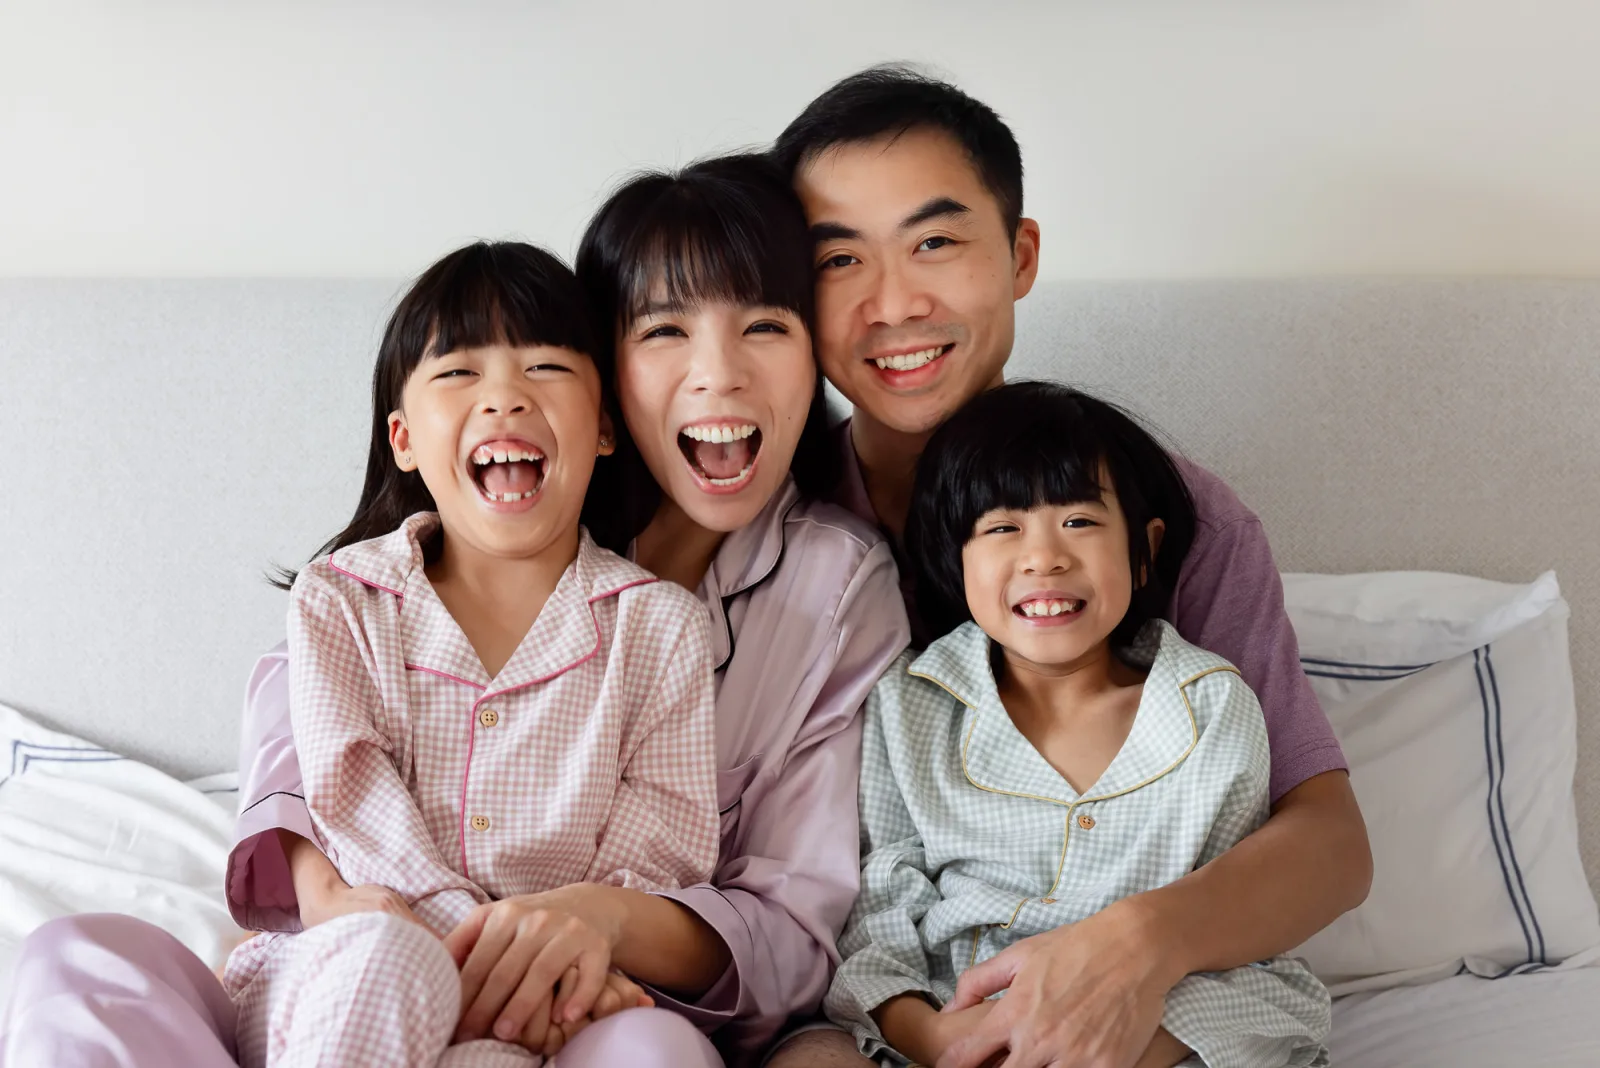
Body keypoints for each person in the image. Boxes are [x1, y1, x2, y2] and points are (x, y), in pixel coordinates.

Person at [0, 154, 910, 1068]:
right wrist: (334, 896)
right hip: (354, 957)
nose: (718, 374)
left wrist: (588, 933)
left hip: (576, 1005)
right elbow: (316, 739)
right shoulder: (362, 589)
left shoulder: (768, 601)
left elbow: (759, 906)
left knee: (655, 1052)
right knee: (80, 959)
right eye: (665, 329)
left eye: (766, 325)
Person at [765, 66, 1370, 1068]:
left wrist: (1135, 945)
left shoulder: (1177, 518)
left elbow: (1331, 844)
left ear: (1020, 255)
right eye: (839, 260)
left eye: (934, 242)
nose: (893, 303)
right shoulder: (770, 525)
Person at [218, 238, 722, 1067]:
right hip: (354, 962)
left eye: (546, 368)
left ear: (603, 427)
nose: (505, 397)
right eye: (458, 372)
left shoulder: (661, 629)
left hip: (547, 1007)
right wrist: (472, 946)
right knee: (389, 960)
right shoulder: (341, 599)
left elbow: (657, 852)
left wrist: (549, 968)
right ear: (404, 438)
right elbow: (352, 804)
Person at [823, 383, 1331, 1068]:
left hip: (1158, 1031)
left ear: (1144, 550)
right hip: (960, 1034)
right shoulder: (907, 708)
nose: (1044, 558)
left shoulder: (1211, 708)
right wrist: (940, 1039)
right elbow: (880, 919)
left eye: (1080, 522)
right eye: (1002, 529)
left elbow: (1240, 954)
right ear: (953, 557)